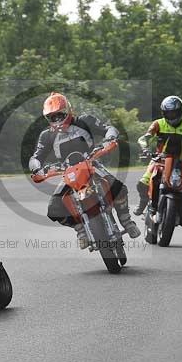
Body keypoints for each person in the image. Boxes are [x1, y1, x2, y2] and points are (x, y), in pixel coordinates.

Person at [28, 92, 141, 248]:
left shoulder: (85, 121)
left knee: (119, 188)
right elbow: (36, 156)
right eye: (52, 117)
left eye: (59, 115)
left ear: (68, 110)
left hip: (92, 163)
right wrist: (36, 167)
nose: (57, 120)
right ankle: (80, 230)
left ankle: (127, 221)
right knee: (53, 208)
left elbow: (108, 128)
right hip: (68, 172)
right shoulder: (46, 136)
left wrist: (109, 137)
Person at [134, 95, 182, 227]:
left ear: (180, 112)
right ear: (163, 113)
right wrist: (145, 148)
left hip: (181, 162)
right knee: (142, 183)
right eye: (168, 113)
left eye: (174, 112)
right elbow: (144, 138)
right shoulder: (158, 124)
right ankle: (145, 203)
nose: (172, 116)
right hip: (159, 160)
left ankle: (181, 212)